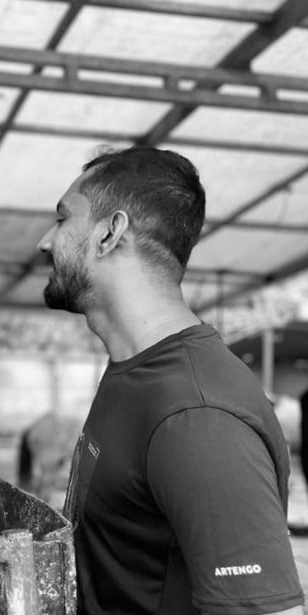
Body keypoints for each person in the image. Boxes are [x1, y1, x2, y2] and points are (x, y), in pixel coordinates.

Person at [37, 146, 304, 614]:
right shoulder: (134, 370)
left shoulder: (198, 415)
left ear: (110, 233)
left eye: (62, 220)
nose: (45, 241)